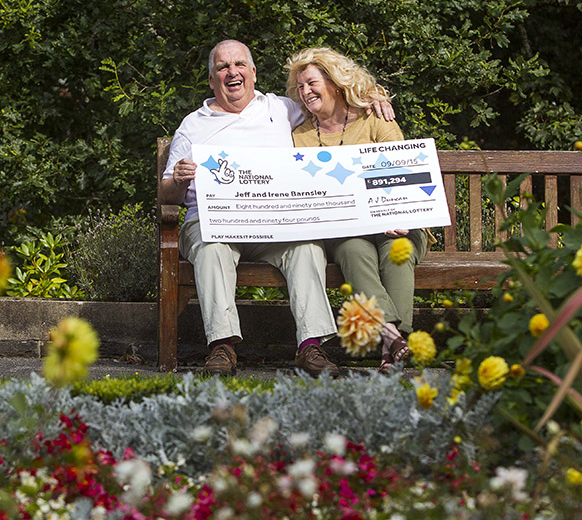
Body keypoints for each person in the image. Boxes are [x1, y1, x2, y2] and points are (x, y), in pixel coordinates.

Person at [162, 40, 393, 376]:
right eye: (222, 68)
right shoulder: (193, 125)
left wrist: (370, 96)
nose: (232, 72)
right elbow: (166, 194)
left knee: (307, 245)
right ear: (212, 81)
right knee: (211, 247)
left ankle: (310, 347)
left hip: (274, 222)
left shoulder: (281, 108)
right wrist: (179, 178)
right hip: (213, 220)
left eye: (239, 64)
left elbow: (330, 101)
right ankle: (221, 347)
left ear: (253, 73)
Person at [285, 47, 429, 368]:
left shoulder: (374, 117)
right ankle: (394, 340)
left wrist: (397, 211)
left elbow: (400, 168)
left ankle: (390, 343)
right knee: (351, 251)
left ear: (335, 83)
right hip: (348, 229)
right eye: (300, 88)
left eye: (312, 83)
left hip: (397, 220)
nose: (305, 92)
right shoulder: (301, 136)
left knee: (398, 248)